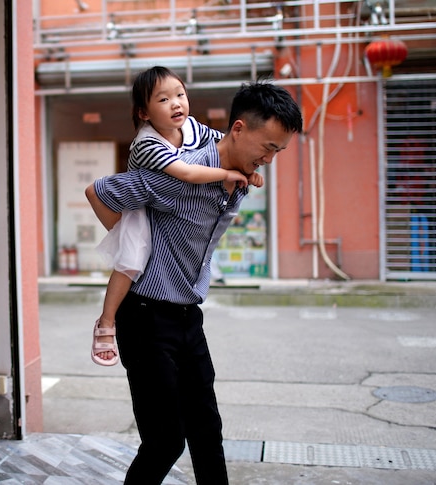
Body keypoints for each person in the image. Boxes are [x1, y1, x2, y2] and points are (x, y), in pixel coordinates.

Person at [85, 79, 303, 483]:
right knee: (166, 440)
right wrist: (134, 242)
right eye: (268, 148)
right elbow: (100, 191)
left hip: (188, 316)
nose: (269, 160)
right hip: (145, 316)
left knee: (206, 430)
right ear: (238, 130)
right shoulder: (177, 175)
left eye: (278, 151)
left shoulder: (234, 167)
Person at [91, 66, 259, 366]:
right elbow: (186, 173)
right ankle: (105, 323)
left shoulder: (193, 128)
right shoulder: (147, 143)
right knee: (130, 262)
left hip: (165, 212)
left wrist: (248, 166)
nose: (176, 103)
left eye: (180, 94)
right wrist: (228, 173)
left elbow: (225, 143)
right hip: (140, 211)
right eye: (164, 99)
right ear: (144, 113)